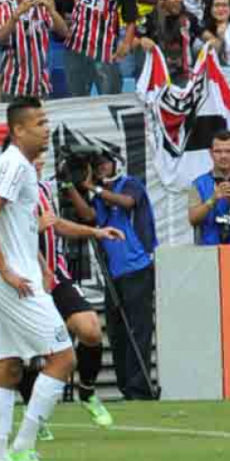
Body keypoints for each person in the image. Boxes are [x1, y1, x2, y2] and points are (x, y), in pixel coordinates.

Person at [0, 97, 74, 461]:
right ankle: (24, 447)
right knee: (63, 359)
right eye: (38, 122)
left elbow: (14, 225)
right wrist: (8, 270)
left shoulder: (21, 167)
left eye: (47, 121)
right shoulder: (14, 164)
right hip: (11, 281)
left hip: (6, 277)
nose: (46, 128)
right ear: (18, 130)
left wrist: (39, 265)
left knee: (7, 368)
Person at [16, 151, 124, 439]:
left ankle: (86, 391)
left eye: (41, 157)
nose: (40, 161)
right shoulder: (11, 193)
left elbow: (56, 225)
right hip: (27, 279)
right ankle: (34, 417)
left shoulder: (42, 189)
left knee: (90, 330)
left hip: (58, 275)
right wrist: (40, 267)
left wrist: (96, 232)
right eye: (34, 157)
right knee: (33, 355)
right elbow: (14, 234)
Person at [66, 150, 159, 401]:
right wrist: (70, 186)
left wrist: (92, 188)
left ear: (115, 163)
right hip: (113, 274)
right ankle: (126, 388)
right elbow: (88, 217)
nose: (101, 168)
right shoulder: (99, 193)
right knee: (117, 333)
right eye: (96, 166)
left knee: (138, 331)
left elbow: (127, 202)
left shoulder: (130, 184)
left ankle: (139, 390)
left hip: (138, 268)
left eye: (104, 163)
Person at [0, 0, 68, 98]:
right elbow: (0, 38)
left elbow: (64, 32)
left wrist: (50, 9)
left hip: (41, 86)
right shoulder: (4, 9)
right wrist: (17, 14)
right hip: (13, 86)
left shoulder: (43, 8)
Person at [138, 0, 202, 86]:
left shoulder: (189, 18)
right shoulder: (150, 19)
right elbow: (133, 41)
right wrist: (142, 40)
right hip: (158, 78)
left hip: (185, 78)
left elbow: (208, 38)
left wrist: (215, 41)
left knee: (199, 45)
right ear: (162, 1)